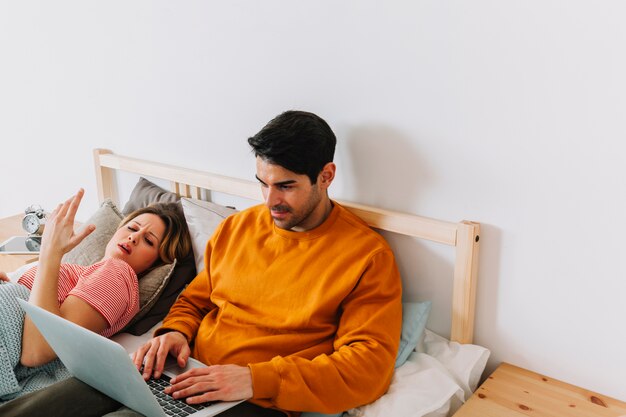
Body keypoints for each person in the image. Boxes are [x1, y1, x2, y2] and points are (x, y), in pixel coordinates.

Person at [0, 111, 402, 417]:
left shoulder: (366, 256)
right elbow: (196, 299)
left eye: (286, 186)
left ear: (326, 176)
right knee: (40, 407)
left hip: (252, 399)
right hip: (180, 369)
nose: (270, 201)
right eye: (263, 183)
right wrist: (175, 332)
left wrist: (254, 379)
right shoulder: (239, 228)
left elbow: (367, 368)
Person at [0, 189, 192, 402]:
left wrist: (50, 253)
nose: (134, 237)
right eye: (132, 227)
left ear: (155, 263)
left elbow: (37, 351)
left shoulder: (117, 274)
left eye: (148, 240)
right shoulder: (85, 271)